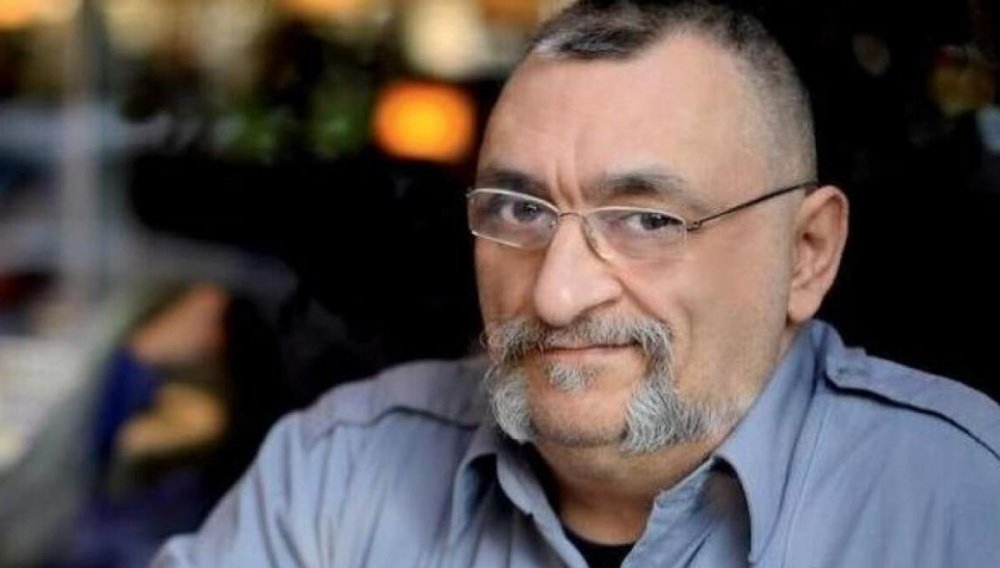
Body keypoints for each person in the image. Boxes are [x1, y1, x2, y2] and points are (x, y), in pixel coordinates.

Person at [153, 1, 1000, 566]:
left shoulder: (964, 501)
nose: (557, 296)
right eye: (519, 210)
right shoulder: (336, 472)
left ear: (807, 252)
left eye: (646, 220)